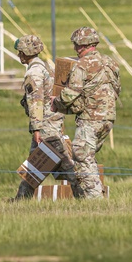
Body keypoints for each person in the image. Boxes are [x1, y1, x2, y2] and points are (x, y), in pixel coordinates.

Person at [52, 27, 120, 199]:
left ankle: (95, 198)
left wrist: (56, 102)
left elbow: (70, 94)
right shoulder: (110, 62)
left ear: (81, 45)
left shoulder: (82, 65)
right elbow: (117, 89)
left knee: (81, 155)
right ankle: (85, 195)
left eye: (75, 45)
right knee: (87, 157)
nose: (75, 48)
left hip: (90, 117)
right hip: (108, 117)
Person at [11, 34, 81, 200]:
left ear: (25, 53)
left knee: (66, 164)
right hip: (52, 122)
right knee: (35, 164)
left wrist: (36, 129)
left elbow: (36, 101)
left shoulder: (34, 72)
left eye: (20, 51)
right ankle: (21, 198)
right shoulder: (44, 67)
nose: (18, 54)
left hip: (45, 126)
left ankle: (85, 194)